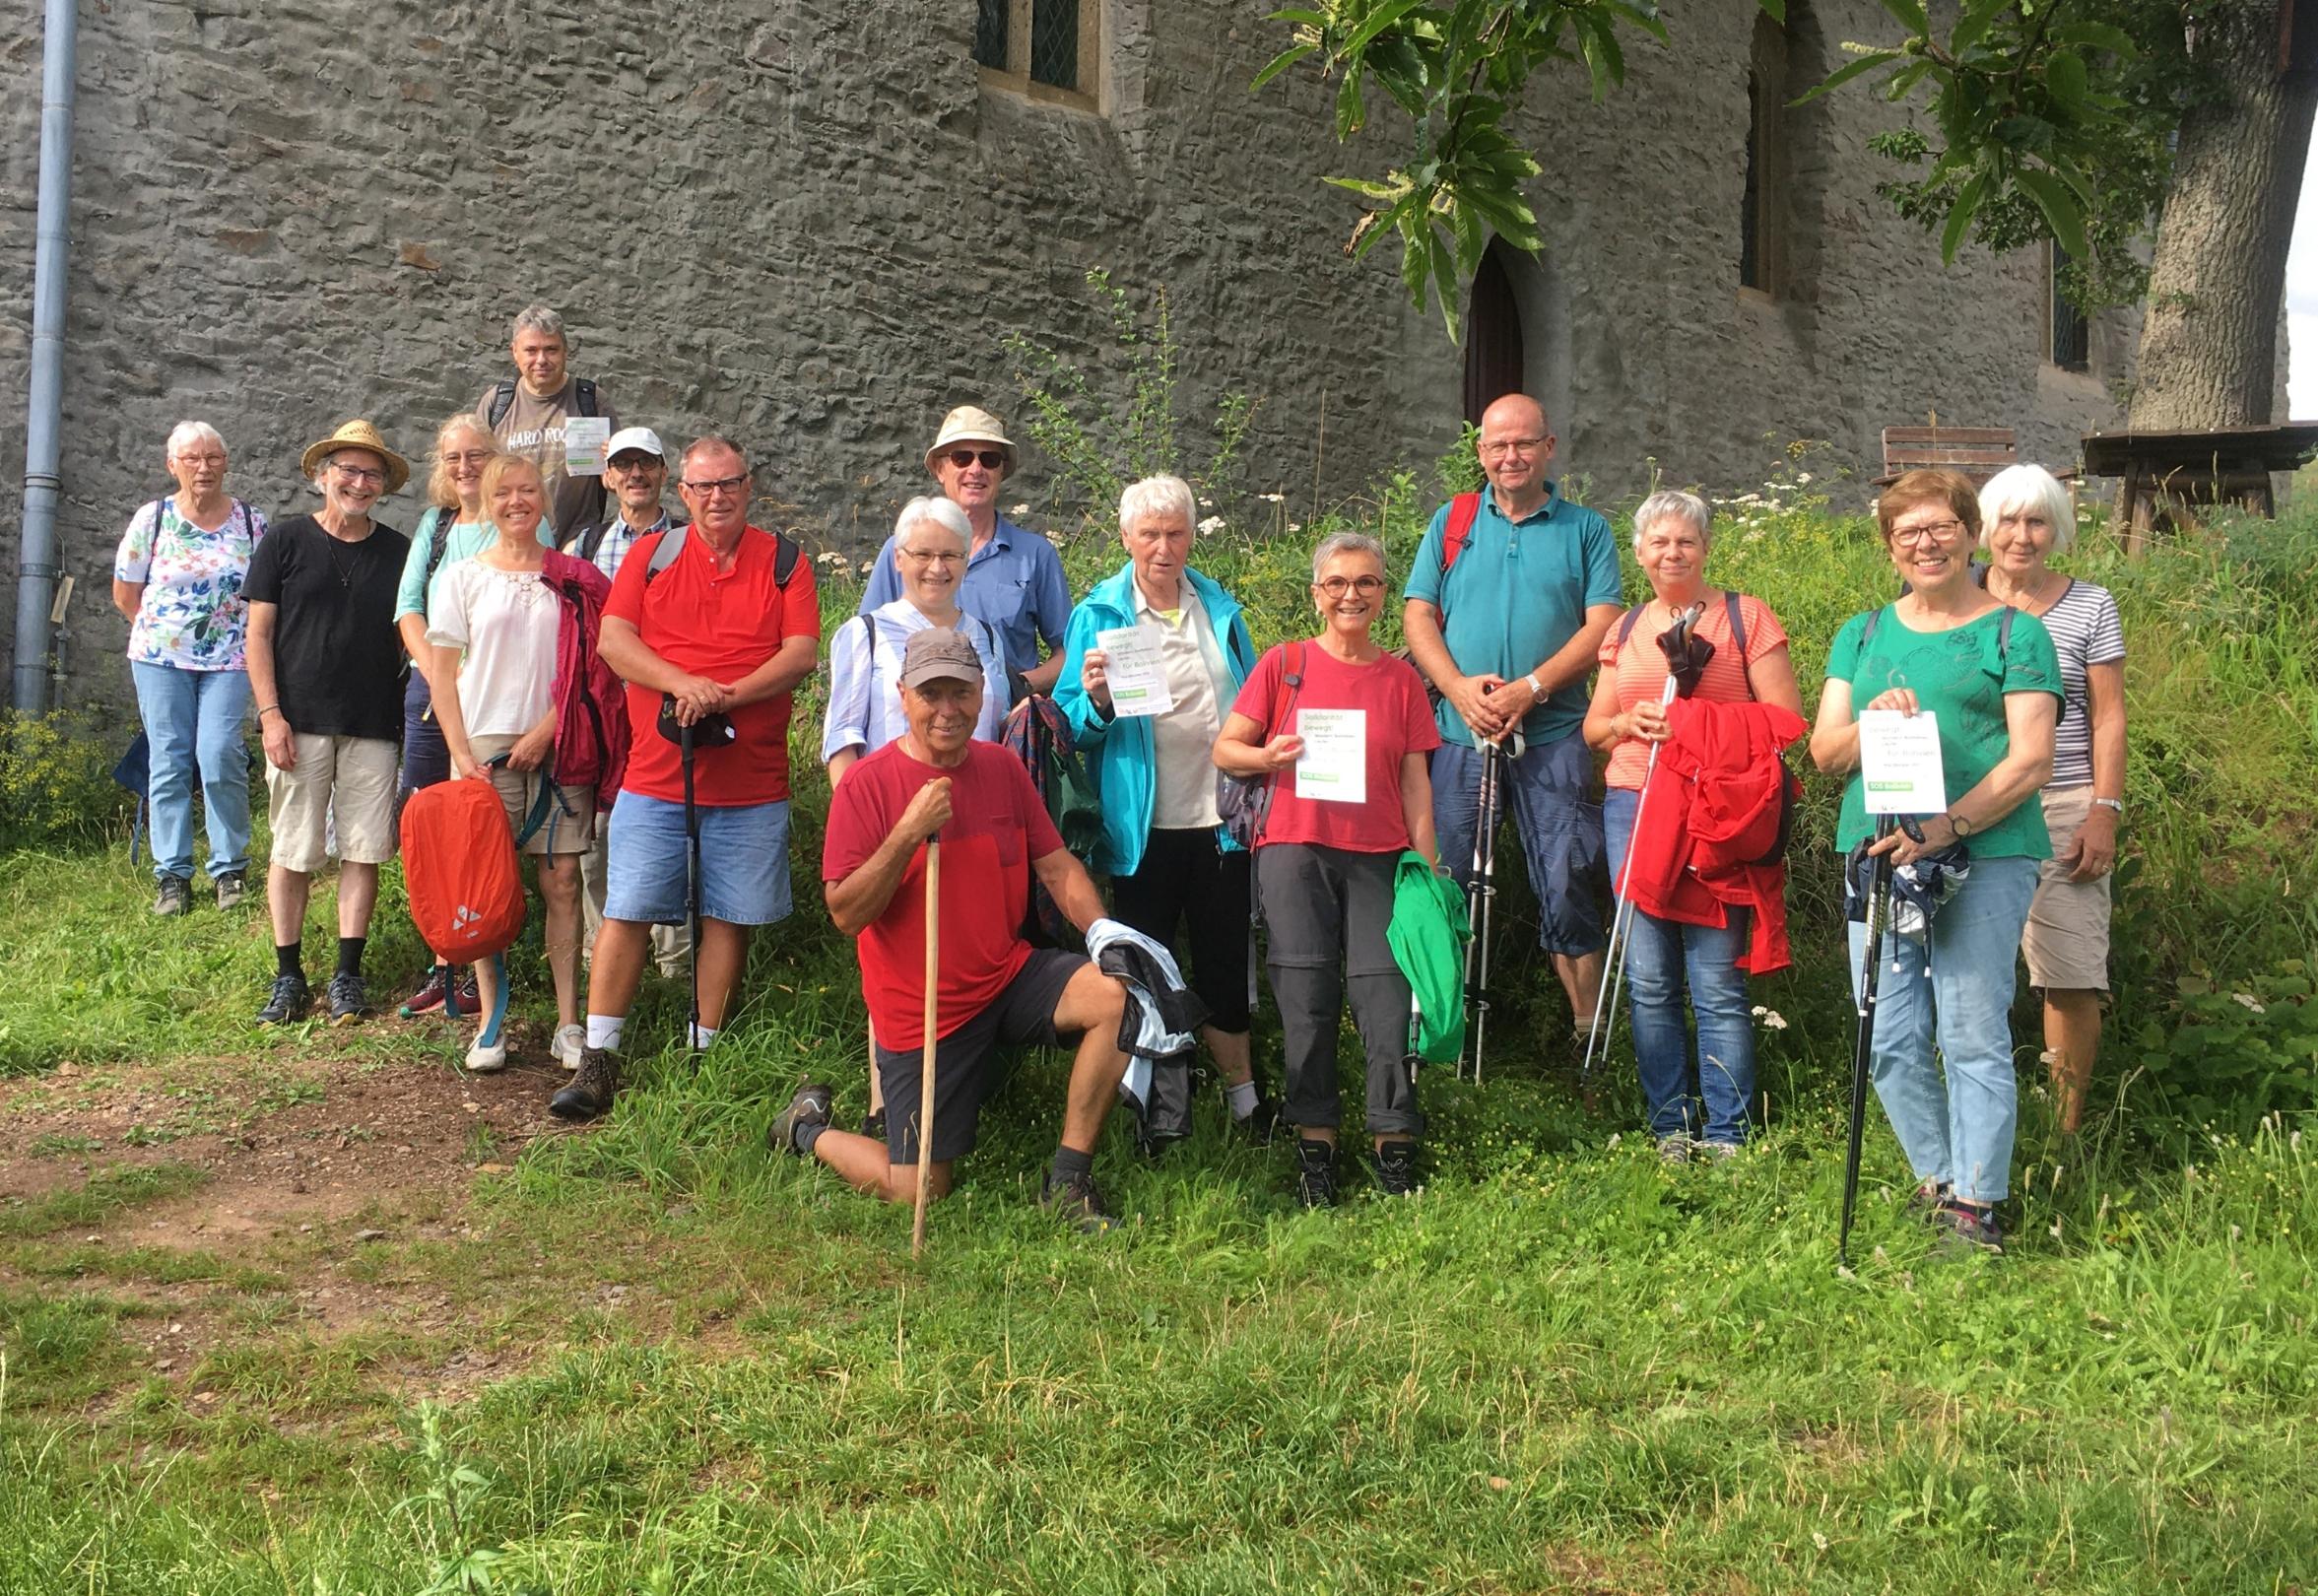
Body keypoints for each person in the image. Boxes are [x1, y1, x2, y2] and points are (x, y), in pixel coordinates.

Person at [771, 629, 1133, 1233]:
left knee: (1117, 993)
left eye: (961, 693)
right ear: (902, 696)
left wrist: (1103, 933)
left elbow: (1056, 864)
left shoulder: (1001, 768)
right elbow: (847, 914)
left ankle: (1069, 1180)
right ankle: (806, 1129)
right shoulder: (867, 785)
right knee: (917, 1189)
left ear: (981, 692)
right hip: (924, 1012)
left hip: (1008, 974)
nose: (947, 709)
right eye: (930, 693)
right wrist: (908, 833)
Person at [1809, 468, 2062, 1254]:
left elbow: (2030, 761)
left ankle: (1976, 1202)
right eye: (1906, 533)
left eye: (1940, 527)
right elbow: (1823, 753)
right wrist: (1869, 721)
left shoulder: (2014, 634)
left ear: (1968, 535)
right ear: (1890, 550)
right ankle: (1936, 1176)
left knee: (1969, 1028)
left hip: (1984, 853)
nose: (1925, 543)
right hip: (1880, 854)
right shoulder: (1862, 633)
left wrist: (1948, 826)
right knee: (1886, 1031)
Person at [561, 436, 821, 1121]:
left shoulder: (785, 562)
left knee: (727, 916)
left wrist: (723, 697)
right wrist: (683, 685)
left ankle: (703, 1048)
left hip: (751, 778)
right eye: (702, 487)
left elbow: (798, 655)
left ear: (748, 485)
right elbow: (615, 642)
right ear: (683, 493)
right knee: (629, 910)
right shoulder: (651, 556)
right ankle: (599, 1058)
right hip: (656, 770)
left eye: (728, 483)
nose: (716, 497)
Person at [1214, 533, 1441, 1207]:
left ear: (1381, 592)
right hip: (1294, 851)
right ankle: (1316, 1147)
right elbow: (1226, 750)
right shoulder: (1284, 664)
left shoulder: (1400, 678)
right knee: (1305, 1001)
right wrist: (1268, 758)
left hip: (1378, 857)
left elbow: (1417, 784)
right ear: (1316, 593)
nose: (1351, 594)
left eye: (1366, 583)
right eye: (1337, 583)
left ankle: (1392, 1145)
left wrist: (1425, 872)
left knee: (1385, 1000)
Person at [1581, 491, 1804, 1160]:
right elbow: (1594, 728)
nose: (1671, 553)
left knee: (1714, 978)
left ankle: (1728, 1133)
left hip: (1716, 812)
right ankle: (1669, 1128)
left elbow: (1785, 719)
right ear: (1639, 552)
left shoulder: (1745, 617)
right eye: (1658, 542)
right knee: (1647, 978)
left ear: (1705, 547)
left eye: (1684, 541)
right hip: (1636, 803)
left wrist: (1692, 724)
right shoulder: (1622, 629)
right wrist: (1628, 723)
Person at [1056, 473, 1276, 1138]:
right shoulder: (1097, 613)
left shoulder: (1218, 604)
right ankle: (1152, 1112)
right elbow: (1068, 723)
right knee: (1145, 974)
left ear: (1189, 537)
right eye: (1148, 534)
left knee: (1221, 962)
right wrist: (1095, 702)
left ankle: (1246, 1104)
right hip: (1141, 829)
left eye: (1174, 533)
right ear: (1125, 538)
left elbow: (1254, 694)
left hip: (1219, 825)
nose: (1162, 547)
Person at [1403, 393, 1623, 1041]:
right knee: (1447, 882)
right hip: (1458, 736)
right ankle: (1438, 1032)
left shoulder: (1585, 529)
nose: (1510, 456)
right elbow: (1417, 613)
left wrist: (1531, 687)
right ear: (1480, 453)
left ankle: (1587, 1036)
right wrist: (1456, 688)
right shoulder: (1452, 520)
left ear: (1547, 448)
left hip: (1553, 736)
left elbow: (1604, 623)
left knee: (1568, 882)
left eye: (1524, 443)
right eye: (1498, 445)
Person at [426, 454, 606, 1072]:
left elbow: (591, 669)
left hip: (560, 741)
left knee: (561, 883)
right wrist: (459, 752)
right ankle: (491, 1023)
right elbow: (442, 676)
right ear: (488, 502)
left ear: (544, 500)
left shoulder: (573, 578)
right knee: (487, 887)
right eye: (504, 493)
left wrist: (548, 730)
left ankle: (568, 1023)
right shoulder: (461, 578)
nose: (516, 502)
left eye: (528, 490)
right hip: (483, 748)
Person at [242, 421, 413, 1026]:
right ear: (323, 476)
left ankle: (347, 975)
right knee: (293, 850)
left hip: (373, 722)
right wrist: (270, 716)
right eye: (348, 470)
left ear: (382, 486)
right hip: (299, 720)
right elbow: (257, 636)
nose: (359, 483)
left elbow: (412, 637)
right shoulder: (285, 541)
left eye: (371, 474)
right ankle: (288, 977)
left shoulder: (398, 551)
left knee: (363, 850)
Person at [1979, 464, 2126, 1135]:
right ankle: (1977, 1118)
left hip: (2064, 801)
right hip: (1971, 809)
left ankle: (2063, 1131)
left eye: (2036, 521)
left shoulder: (2089, 605)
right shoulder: (1955, 599)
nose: (2020, 536)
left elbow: (2108, 717)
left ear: (2057, 529)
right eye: (2007, 520)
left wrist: (2104, 809)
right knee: (1963, 970)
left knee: (2068, 972)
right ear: (1982, 528)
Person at [110, 421, 268, 916]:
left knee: (220, 753)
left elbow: (266, 596)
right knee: (170, 760)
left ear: (226, 463)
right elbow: (125, 593)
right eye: (192, 459)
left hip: (231, 658)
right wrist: (166, 636)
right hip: (160, 659)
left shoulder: (250, 523)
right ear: (172, 465)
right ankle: (173, 876)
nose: (204, 468)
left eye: (214, 457)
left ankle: (229, 869)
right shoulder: (151, 519)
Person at [561, 426, 692, 981]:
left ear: (664, 474)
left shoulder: (689, 542)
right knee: (596, 832)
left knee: (672, 827)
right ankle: (600, 953)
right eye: (624, 466)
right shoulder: (583, 547)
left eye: (647, 464)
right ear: (608, 477)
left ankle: (674, 962)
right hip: (601, 711)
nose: (636, 475)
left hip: (663, 704)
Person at [387, 415, 506, 1018]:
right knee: (433, 823)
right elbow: (409, 607)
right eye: (454, 457)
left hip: (493, 696)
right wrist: (437, 672)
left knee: (478, 828)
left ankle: (486, 951)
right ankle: (443, 960)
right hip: (433, 693)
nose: (465, 467)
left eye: (477, 454)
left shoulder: (516, 519)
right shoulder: (436, 527)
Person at [858, 406, 1070, 699]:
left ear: (1001, 473)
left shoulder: (1035, 555)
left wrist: (1016, 685)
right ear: (939, 470)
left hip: (1003, 729)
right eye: (962, 458)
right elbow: (867, 645)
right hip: (912, 722)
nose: (976, 469)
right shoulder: (902, 551)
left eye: (990, 459)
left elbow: (1069, 650)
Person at [823, 496, 1007, 782]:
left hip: (979, 805)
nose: (936, 568)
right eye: (923, 555)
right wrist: (862, 820)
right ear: (898, 558)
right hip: (895, 805)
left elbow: (998, 728)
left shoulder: (987, 637)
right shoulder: (865, 634)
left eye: (949, 555)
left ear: (966, 560)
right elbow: (843, 741)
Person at [475, 303, 619, 541]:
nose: (541, 360)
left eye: (551, 349)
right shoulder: (497, 403)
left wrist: (612, 471)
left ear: (565, 351)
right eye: (531, 350)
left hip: (575, 547)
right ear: (514, 352)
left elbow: (618, 475)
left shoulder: (591, 401)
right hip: (510, 546)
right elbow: (477, 477)